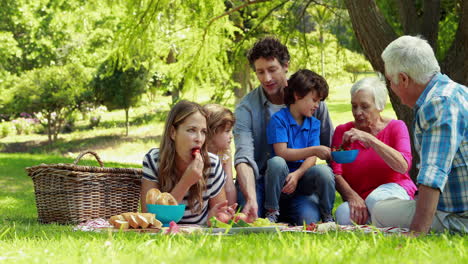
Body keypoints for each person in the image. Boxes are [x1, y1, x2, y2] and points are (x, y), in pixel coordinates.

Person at [372, 35, 467, 234]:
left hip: (457, 218)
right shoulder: (459, 92)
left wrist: (416, 232)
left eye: (391, 81)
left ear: (404, 79)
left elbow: (433, 172)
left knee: (379, 210)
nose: (392, 88)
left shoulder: (437, 104)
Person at [234, 36, 334, 224]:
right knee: (252, 219)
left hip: (301, 180)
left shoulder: (314, 104)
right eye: (260, 72)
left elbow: (330, 150)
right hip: (263, 182)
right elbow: (243, 157)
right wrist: (251, 198)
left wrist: (351, 196)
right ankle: (269, 210)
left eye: (272, 70)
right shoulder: (246, 108)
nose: (267, 78)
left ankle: (312, 212)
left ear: (286, 66)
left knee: (309, 219)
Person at [331, 76, 417, 225]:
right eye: (354, 106)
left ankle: (392, 217)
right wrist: (352, 197)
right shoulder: (342, 131)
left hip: (395, 190)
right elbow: (336, 173)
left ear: (380, 106)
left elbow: (403, 166)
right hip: (362, 199)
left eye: (364, 106)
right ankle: (385, 221)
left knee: (376, 200)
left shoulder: (396, 127)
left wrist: (371, 140)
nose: (357, 112)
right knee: (343, 214)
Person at [140, 100, 236, 225]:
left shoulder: (212, 164)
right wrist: (185, 182)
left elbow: (218, 220)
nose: (199, 139)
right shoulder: (153, 160)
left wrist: (214, 218)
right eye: (191, 130)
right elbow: (150, 220)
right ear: (173, 133)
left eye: (203, 132)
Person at [265, 69, 335, 223]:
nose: (317, 105)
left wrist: (298, 174)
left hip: (302, 184)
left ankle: (327, 216)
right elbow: (281, 152)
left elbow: (311, 159)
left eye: (319, 101)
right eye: (314, 100)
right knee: (276, 162)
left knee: (324, 171)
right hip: (281, 182)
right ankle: (272, 211)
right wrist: (315, 150)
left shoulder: (313, 123)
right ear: (297, 95)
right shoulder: (279, 120)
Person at [203, 103, 237, 206]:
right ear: (211, 132)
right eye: (227, 131)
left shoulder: (224, 153)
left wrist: (231, 210)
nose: (231, 136)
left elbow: (229, 185)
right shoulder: (200, 154)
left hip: (220, 202)